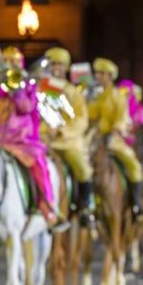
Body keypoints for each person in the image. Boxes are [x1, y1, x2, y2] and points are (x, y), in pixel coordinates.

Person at [0, 47, 67, 232]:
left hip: (23, 141)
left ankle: (48, 209)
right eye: (7, 62)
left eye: (14, 62)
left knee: (39, 165)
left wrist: (17, 90)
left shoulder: (29, 84)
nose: (10, 66)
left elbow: (27, 107)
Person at [39, 47, 95, 227]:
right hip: (45, 141)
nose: (56, 67)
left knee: (82, 168)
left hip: (68, 142)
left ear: (66, 67)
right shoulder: (43, 88)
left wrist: (62, 130)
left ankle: (86, 207)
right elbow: (36, 114)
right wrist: (45, 129)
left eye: (60, 64)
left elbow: (81, 119)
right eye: (53, 63)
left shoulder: (73, 91)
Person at [87, 58, 143, 220]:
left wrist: (113, 131)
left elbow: (122, 118)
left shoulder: (117, 95)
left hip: (113, 138)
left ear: (110, 76)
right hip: (96, 137)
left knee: (134, 165)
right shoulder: (96, 96)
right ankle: (85, 202)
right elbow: (91, 116)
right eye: (97, 73)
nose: (98, 76)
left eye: (102, 73)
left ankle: (137, 205)